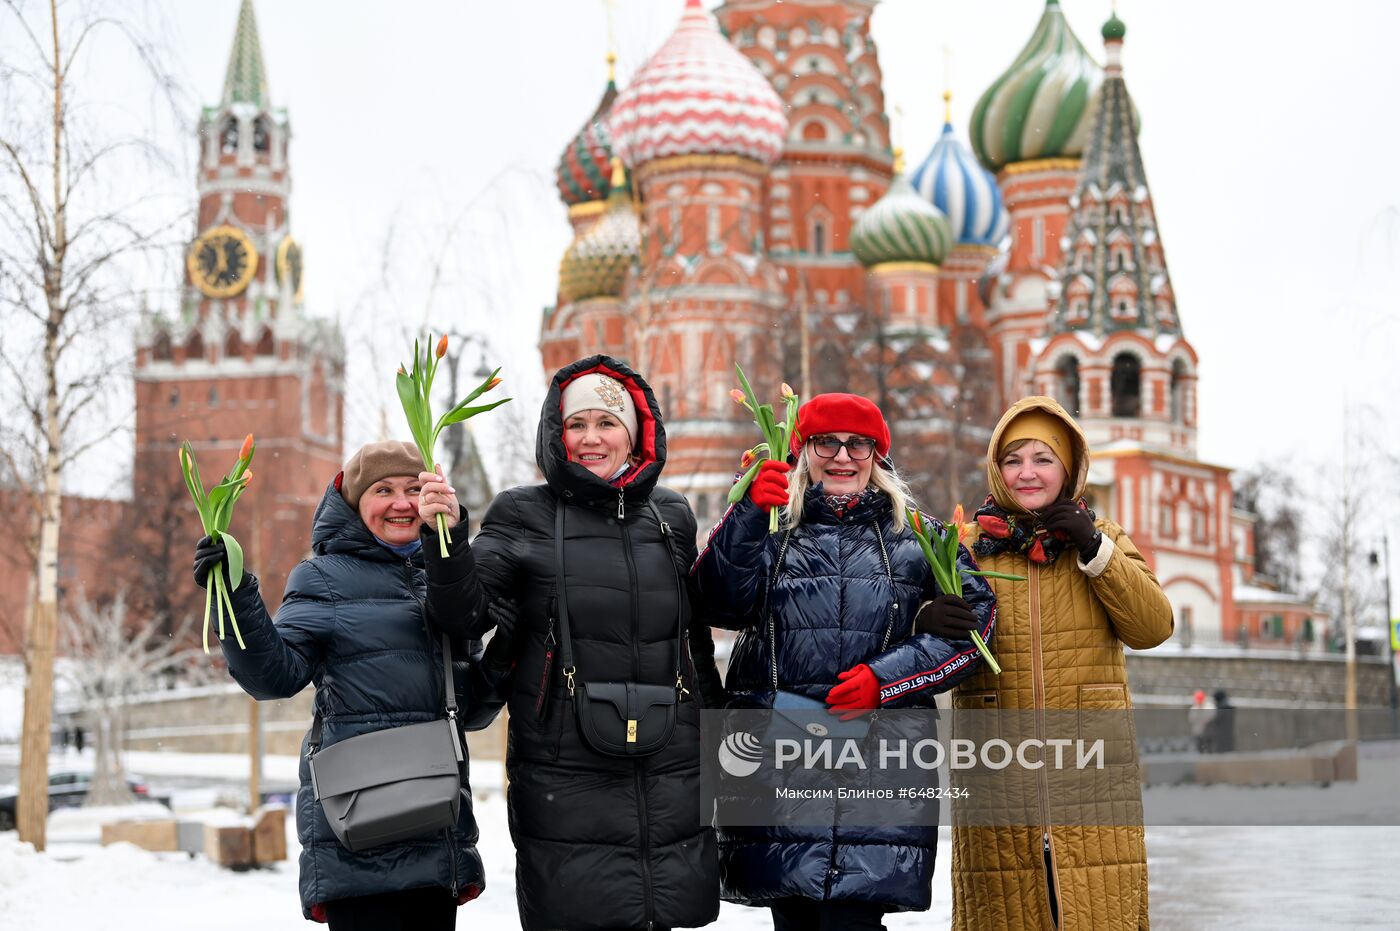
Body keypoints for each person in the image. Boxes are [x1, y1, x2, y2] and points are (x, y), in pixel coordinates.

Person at [417, 355, 723, 931]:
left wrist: (724, 742)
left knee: (667, 913)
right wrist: (447, 539)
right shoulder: (522, 512)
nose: (590, 439)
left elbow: (693, 641)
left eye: (606, 423)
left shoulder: (671, 515)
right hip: (566, 770)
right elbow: (461, 614)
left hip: (672, 765)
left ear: (634, 436)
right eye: (575, 425)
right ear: (555, 436)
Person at [691, 392, 998, 931]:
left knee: (854, 918)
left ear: (878, 455)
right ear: (803, 449)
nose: (842, 457)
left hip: (877, 759)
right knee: (795, 914)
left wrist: (887, 678)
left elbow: (978, 630)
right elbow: (717, 605)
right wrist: (744, 516)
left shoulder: (921, 537)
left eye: (858, 444)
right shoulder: (770, 527)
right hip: (779, 758)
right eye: (825, 442)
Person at [192, 440, 486, 929]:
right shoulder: (324, 578)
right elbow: (275, 677)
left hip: (435, 824)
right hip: (360, 827)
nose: (401, 502)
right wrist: (234, 595)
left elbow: (472, 704)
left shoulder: (449, 576)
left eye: (414, 488)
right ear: (353, 503)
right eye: (383, 489)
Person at [926, 396, 1173, 931]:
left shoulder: (1103, 537)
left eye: (1043, 458)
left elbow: (1153, 628)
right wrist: (928, 617)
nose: (1027, 473)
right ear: (997, 467)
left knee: (1096, 913)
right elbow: (920, 647)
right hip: (996, 772)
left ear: (1069, 466)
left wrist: (1094, 548)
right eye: (1013, 459)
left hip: (1091, 774)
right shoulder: (965, 549)